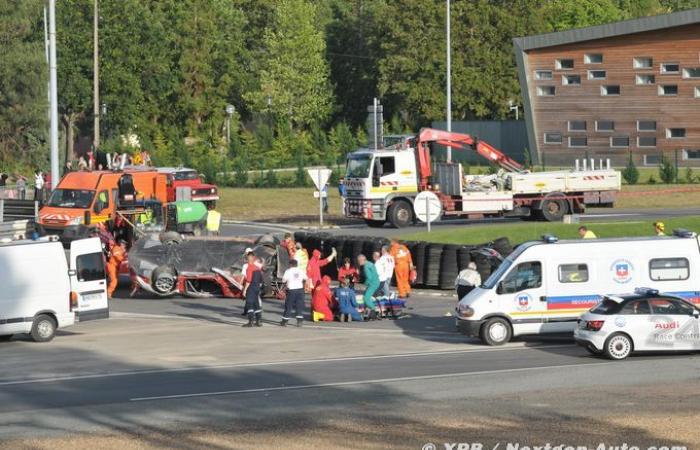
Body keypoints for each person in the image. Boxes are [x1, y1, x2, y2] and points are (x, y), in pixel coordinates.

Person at [281, 259, 306, 327]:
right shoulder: (301, 271)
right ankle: (299, 321)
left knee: (289, 305)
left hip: (291, 290)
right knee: (299, 305)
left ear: (291, 264)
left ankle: (285, 321)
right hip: (300, 290)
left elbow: (284, 280)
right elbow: (305, 278)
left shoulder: (288, 271)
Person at [242, 257, 264, 327]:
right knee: (256, 304)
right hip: (257, 288)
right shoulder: (258, 268)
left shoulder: (249, 268)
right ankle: (258, 321)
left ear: (248, 261)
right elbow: (261, 280)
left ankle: (250, 322)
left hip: (251, 288)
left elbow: (248, 281)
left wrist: (245, 290)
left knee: (249, 304)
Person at [357, 254, 380, 319]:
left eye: (358, 261)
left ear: (361, 260)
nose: (358, 262)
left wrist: (365, 284)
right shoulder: (370, 263)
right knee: (367, 295)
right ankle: (368, 308)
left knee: (366, 298)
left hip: (373, 284)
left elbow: (369, 278)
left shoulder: (366, 266)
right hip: (376, 281)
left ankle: (373, 310)